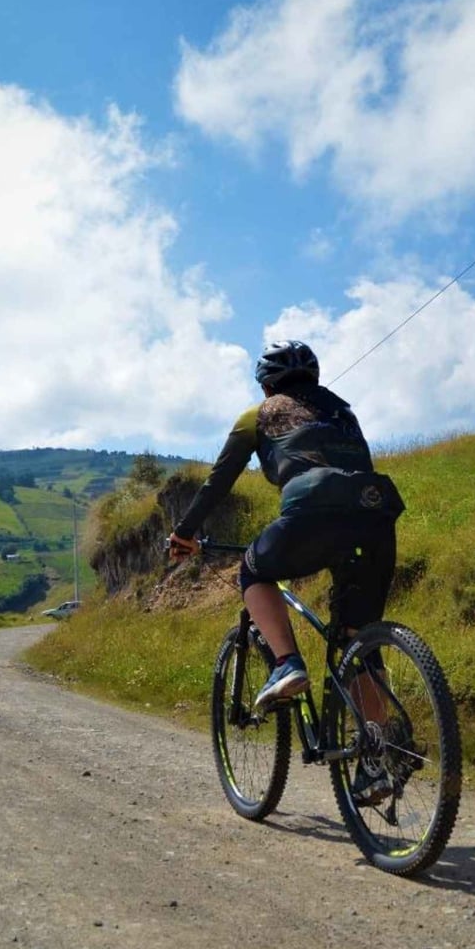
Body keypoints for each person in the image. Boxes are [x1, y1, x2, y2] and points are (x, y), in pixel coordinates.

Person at [167, 340, 405, 802]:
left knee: (253, 572)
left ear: (266, 382)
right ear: (313, 378)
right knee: (359, 640)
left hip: (312, 509)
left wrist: (184, 533)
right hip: (376, 514)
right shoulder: (343, 413)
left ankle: (286, 664)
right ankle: (376, 758)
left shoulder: (257, 415)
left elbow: (219, 482)